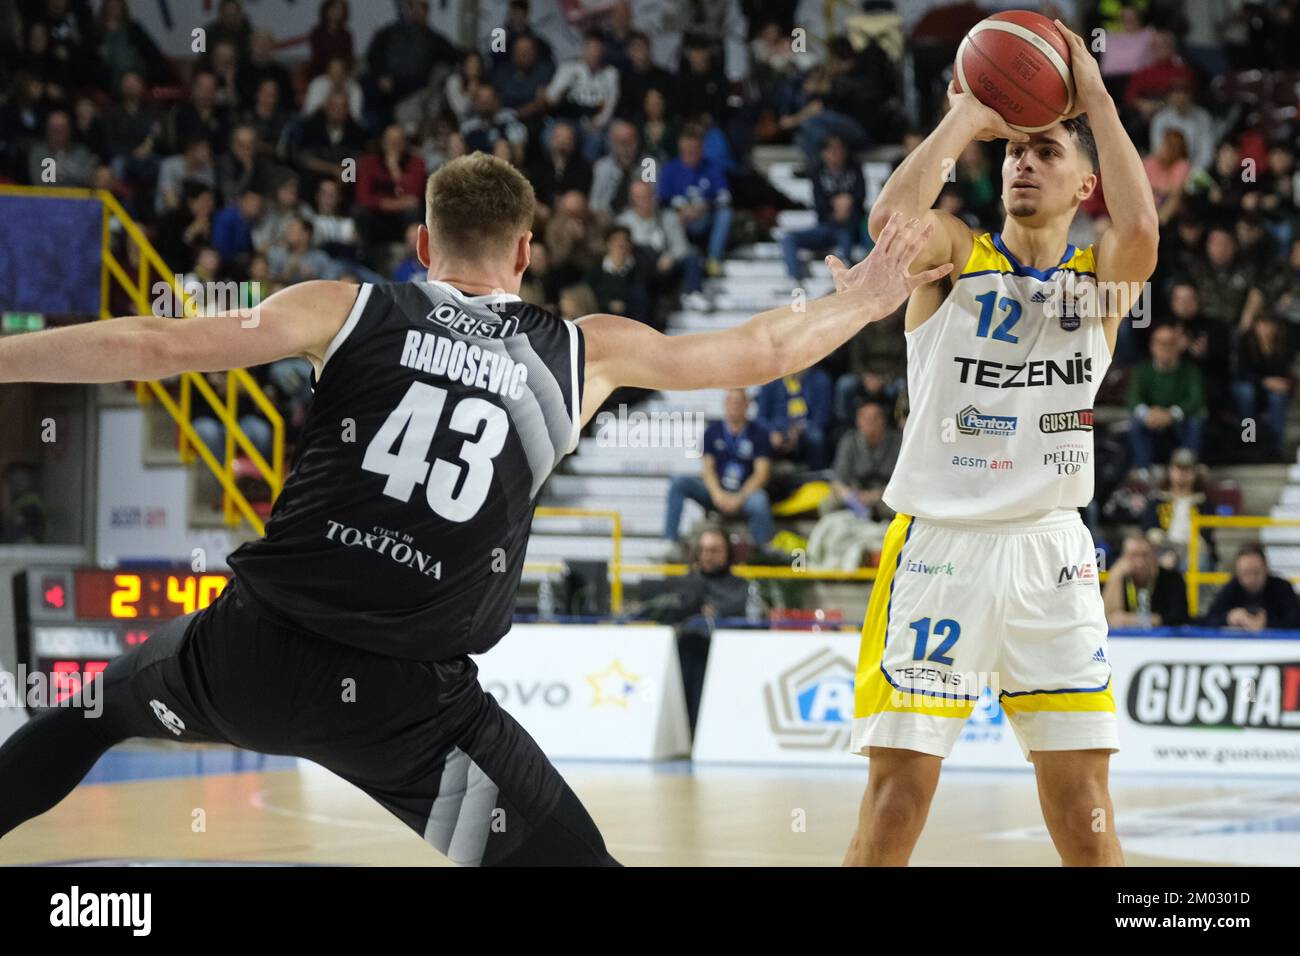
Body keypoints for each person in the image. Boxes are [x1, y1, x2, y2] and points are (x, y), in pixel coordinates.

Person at [0, 152, 943, 864]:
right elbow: (764, 348)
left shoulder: (346, 307)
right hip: (408, 713)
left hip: (249, 655)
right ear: (527, 253)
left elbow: (158, 347)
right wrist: (862, 299)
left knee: (96, 713)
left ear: (422, 247)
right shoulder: (584, 351)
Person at [843, 22, 1159, 867]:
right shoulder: (955, 252)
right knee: (897, 801)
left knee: (1085, 810)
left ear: (1085, 185)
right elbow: (891, 224)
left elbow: (1144, 234)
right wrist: (964, 115)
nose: (1023, 161)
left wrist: (1091, 93)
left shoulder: (1099, 284)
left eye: (1046, 151)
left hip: (1053, 553)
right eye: (1015, 151)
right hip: (942, 551)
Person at [664, 389, 775, 547]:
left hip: (744, 495)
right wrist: (717, 494)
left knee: (759, 500)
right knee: (679, 482)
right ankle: (669, 541)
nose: (734, 406)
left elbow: (761, 474)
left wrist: (739, 497)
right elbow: (707, 469)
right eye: (731, 401)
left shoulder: (759, 433)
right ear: (724, 404)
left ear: (747, 405)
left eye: (739, 402)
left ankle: (761, 549)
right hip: (716, 493)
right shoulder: (712, 431)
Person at [1201, 545, 1300, 631]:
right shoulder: (1232, 588)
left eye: (1256, 572)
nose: (1251, 578)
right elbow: (1208, 620)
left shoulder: (1282, 588)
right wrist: (1229, 618)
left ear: (1266, 569)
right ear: (1238, 572)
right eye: (1246, 573)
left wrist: (1268, 623)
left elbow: (1295, 621)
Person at [1102, 533, 1189, 628]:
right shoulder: (1119, 578)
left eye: (1145, 555)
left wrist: (1132, 620)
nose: (1140, 562)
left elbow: (1179, 617)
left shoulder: (1173, 579)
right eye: (1133, 555)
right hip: (1126, 641)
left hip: (1163, 641)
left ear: (1154, 557)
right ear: (1123, 558)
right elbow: (1108, 617)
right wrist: (1115, 577)